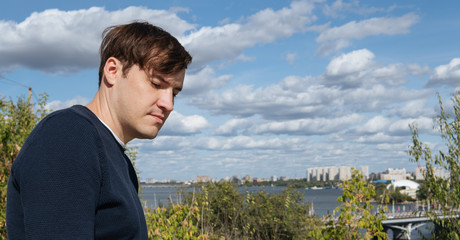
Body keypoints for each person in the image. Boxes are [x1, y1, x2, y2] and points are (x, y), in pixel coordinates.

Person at [6, 21, 192, 239]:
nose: (168, 104)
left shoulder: (115, 157)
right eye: (157, 84)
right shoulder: (68, 136)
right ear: (113, 71)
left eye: (175, 93)